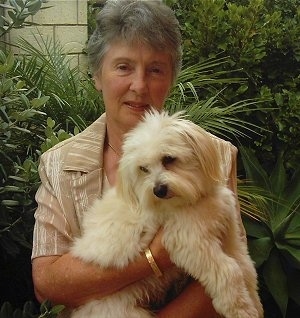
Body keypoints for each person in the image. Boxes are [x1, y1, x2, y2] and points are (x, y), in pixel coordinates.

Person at [31, 0, 245, 317]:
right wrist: (156, 256)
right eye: (123, 67)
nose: (139, 85)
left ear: (172, 79)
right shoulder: (59, 164)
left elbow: (230, 263)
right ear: (97, 75)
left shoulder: (214, 153)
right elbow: (48, 285)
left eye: (155, 69)